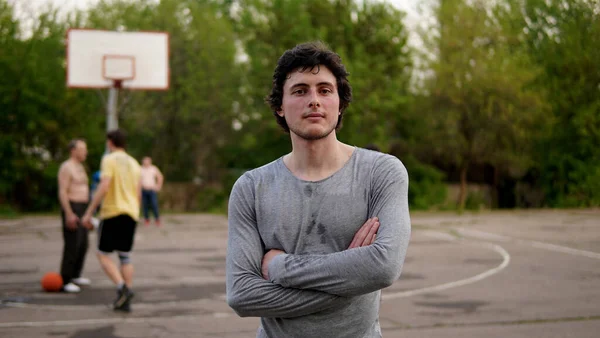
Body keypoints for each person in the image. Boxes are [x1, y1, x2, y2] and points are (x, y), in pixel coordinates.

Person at [225, 42, 411, 337]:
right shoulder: (251, 188)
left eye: (325, 90)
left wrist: (280, 268)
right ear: (280, 107)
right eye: (300, 91)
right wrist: (351, 280)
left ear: (340, 104)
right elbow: (242, 295)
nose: (314, 100)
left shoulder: (381, 172)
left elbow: (383, 266)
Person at [82, 129, 141, 312]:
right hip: (131, 212)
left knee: (102, 254)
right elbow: (138, 192)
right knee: (125, 255)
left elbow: (104, 185)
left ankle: (122, 287)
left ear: (110, 142)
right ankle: (126, 297)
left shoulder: (109, 159)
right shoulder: (134, 163)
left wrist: (89, 212)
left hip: (113, 211)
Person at [57, 139, 92, 293]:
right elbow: (63, 191)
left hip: (83, 207)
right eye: (82, 149)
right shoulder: (66, 167)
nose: (85, 152)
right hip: (72, 207)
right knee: (72, 243)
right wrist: (69, 213)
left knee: (83, 243)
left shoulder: (80, 167)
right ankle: (65, 280)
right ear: (73, 150)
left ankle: (76, 275)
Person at [140, 156, 163, 226]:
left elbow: (160, 177)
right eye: (145, 161)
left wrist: (158, 186)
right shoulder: (140, 169)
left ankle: (157, 219)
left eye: (147, 161)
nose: (146, 162)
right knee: (145, 206)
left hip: (152, 190)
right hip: (143, 190)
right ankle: (146, 220)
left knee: (154, 204)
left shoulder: (153, 168)